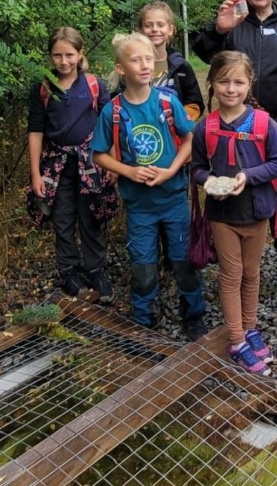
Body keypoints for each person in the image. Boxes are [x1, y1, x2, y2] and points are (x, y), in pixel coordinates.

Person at [191, 0, 277, 286]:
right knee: (234, 180)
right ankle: (232, 246)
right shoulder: (234, 24)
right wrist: (219, 29)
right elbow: (204, 55)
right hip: (235, 121)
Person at [93, 32, 208, 340]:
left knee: (183, 259)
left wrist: (171, 169)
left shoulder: (168, 102)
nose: (144, 65)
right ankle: (144, 315)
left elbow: (190, 139)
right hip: (139, 207)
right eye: (135, 60)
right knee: (143, 265)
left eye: (148, 59)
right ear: (120, 68)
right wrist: (129, 171)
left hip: (172, 200)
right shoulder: (113, 112)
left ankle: (193, 311)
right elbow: (100, 154)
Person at [191, 51, 277, 375]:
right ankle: (236, 339)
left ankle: (249, 328)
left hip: (257, 211)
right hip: (222, 214)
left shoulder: (264, 123)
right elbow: (197, 169)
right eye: (223, 81)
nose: (231, 88)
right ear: (212, 84)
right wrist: (211, 181)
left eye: (238, 82)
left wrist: (247, 176)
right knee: (231, 276)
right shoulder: (206, 126)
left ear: (249, 84)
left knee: (252, 273)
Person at [26, 27, 116, 301]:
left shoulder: (94, 86)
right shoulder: (43, 88)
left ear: (80, 54)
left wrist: (112, 162)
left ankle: (96, 269)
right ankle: (68, 269)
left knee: (91, 216)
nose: (63, 61)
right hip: (56, 165)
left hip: (90, 163)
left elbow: (109, 124)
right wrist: (35, 174)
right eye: (57, 55)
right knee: (62, 218)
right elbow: (36, 130)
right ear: (50, 56)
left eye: (69, 55)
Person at [115, 1, 204, 121]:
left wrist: (177, 120)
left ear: (170, 29)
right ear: (140, 30)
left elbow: (195, 104)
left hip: (173, 134)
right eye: (148, 25)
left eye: (160, 25)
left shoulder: (181, 66)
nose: (155, 29)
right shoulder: (129, 64)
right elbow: (117, 99)